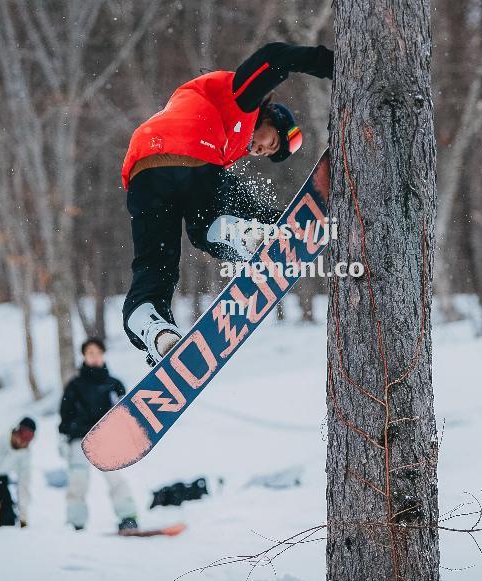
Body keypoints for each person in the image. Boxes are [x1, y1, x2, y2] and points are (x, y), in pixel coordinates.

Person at [121, 42, 334, 365]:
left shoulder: (226, 146)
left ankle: (156, 331)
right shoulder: (244, 101)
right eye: (271, 142)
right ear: (270, 117)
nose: (262, 151)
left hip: (143, 166)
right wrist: (336, 65)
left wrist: (280, 223)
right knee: (207, 226)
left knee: (154, 267)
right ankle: (241, 235)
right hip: (192, 148)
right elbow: (273, 57)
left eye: (268, 154)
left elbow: (239, 199)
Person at [59, 338, 138, 532]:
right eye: (90, 353)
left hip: (106, 439)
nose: (94, 356)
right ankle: (76, 523)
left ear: (103, 354)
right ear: (84, 356)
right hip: (80, 440)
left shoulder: (115, 384)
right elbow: (64, 414)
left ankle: (128, 517)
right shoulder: (75, 386)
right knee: (78, 481)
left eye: (97, 352)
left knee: (115, 479)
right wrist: (64, 438)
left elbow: (126, 415)